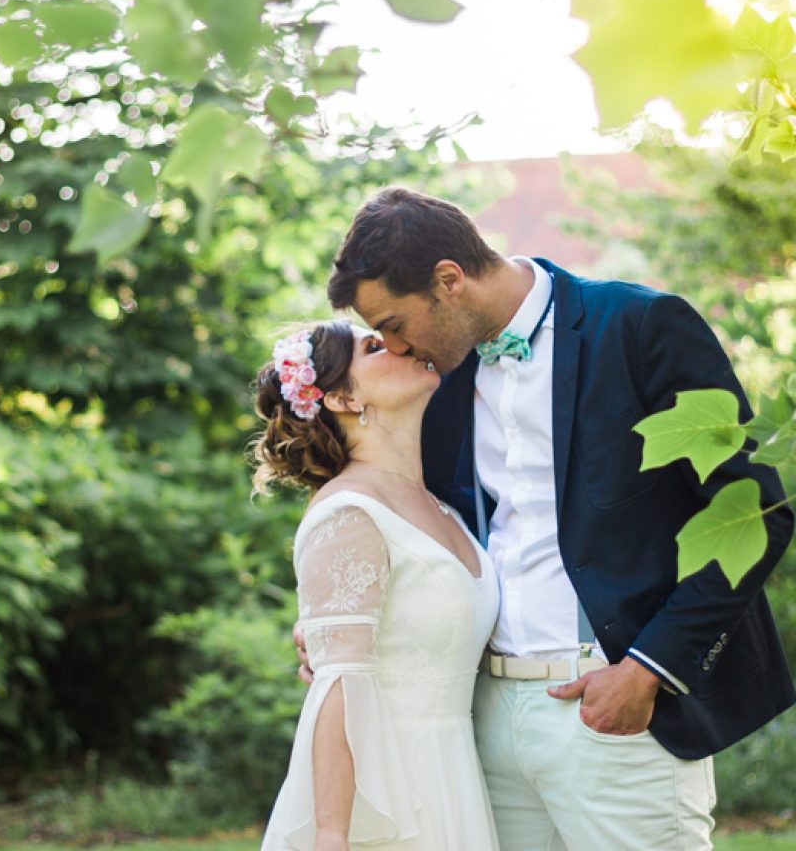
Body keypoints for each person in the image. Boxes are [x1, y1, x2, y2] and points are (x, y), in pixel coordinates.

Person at [302, 185, 795, 851]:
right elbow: (404, 516)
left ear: (449, 281)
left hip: (615, 708)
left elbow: (755, 513)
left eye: (394, 324)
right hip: (483, 722)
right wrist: (341, 623)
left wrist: (646, 670)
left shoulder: (640, 327)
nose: (393, 346)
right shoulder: (436, 382)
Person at [253, 320, 501, 851]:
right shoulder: (347, 511)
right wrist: (331, 834)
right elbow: (337, 685)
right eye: (374, 346)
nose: (401, 343)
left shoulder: (444, 507)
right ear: (342, 396)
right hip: (391, 791)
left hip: (457, 771)